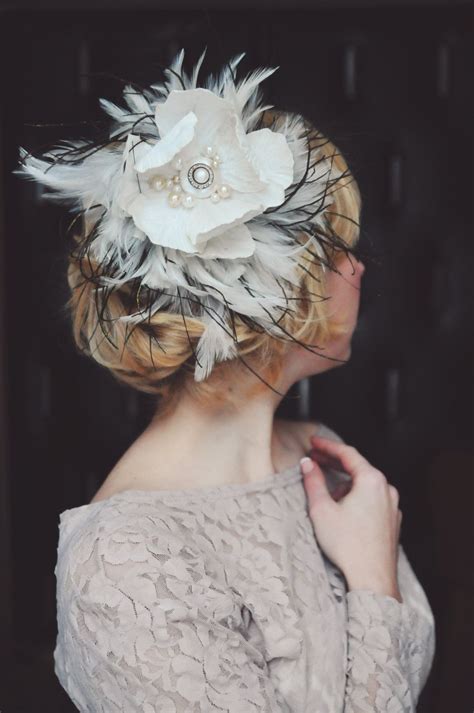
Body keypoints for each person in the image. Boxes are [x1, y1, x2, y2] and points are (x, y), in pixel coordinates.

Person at [16, 50, 435, 711]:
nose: (359, 269)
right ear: (276, 283)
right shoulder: (123, 560)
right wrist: (374, 582)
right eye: (339, 247)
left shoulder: (318, 455)